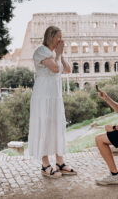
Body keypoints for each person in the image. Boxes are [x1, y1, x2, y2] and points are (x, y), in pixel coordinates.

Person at [27, 26, 77, 178]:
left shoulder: (54, 53)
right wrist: (59, 53)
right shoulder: (41, 51)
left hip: (55, 96)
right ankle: (45, 164)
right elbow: (55, 69)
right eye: (58, 38)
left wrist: (60, 55)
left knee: (57, 126)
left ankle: (60, 162)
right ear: (50, 37)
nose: (61, 41)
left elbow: (68, 70)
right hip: (43, 95)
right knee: (44, 126)